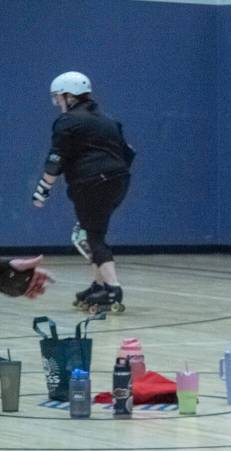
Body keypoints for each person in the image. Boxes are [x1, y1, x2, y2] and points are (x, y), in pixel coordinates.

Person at [33, 71, 134, 313]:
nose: (57, 102)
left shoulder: (68, 122)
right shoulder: (109, 120)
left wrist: (43, 189)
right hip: (119, 180)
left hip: (91, 183)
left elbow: (56, 158)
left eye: (58, 97)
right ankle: (98, 285)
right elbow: (128, 152)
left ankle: (112, 288)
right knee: (89, 232)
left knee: (92, 237)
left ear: (69, 96)